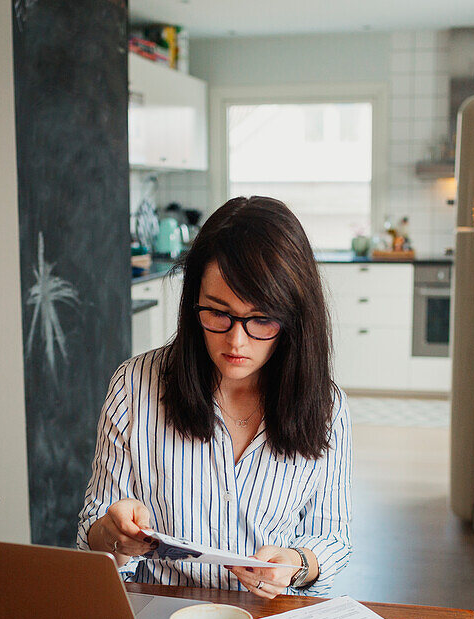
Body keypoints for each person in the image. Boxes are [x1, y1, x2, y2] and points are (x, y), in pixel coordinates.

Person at [76, 196, 352, 598]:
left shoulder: (326, 408)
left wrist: (296, 564)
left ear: (295, 317)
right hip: (161, 615)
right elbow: (92, 535)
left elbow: (333, 537)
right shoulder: (135, 387)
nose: (236, 340)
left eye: (261, 318)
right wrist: (114, 536)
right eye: (218, 313)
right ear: (193, 304)